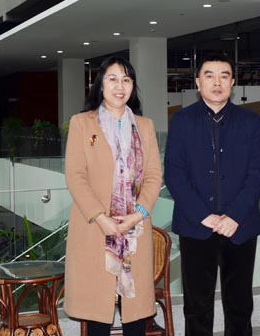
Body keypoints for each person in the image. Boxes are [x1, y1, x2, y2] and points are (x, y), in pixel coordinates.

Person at [164, 54, 260, 336]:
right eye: (209, 75)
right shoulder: (181, 120)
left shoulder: (250, 121)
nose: (217, 82)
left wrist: (234, 215)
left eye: (224, 76)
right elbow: (174, 174)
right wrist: (204, 215)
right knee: (197, 307)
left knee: (240, 305)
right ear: (198, 82)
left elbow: (257, 173)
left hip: (240, 227)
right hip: (196, 227)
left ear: (233, 82)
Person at [64, 56, 163, 336]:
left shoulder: (144, 126)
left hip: (135, 230)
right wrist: (101, 217)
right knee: (98, 311)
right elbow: (75, 176)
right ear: (100, 85)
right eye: (113, 79)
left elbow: (154, 175)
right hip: (95, 229)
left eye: (126, 80)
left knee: (135, 312)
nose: (120, 86)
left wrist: (138, 214)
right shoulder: (81, 123)